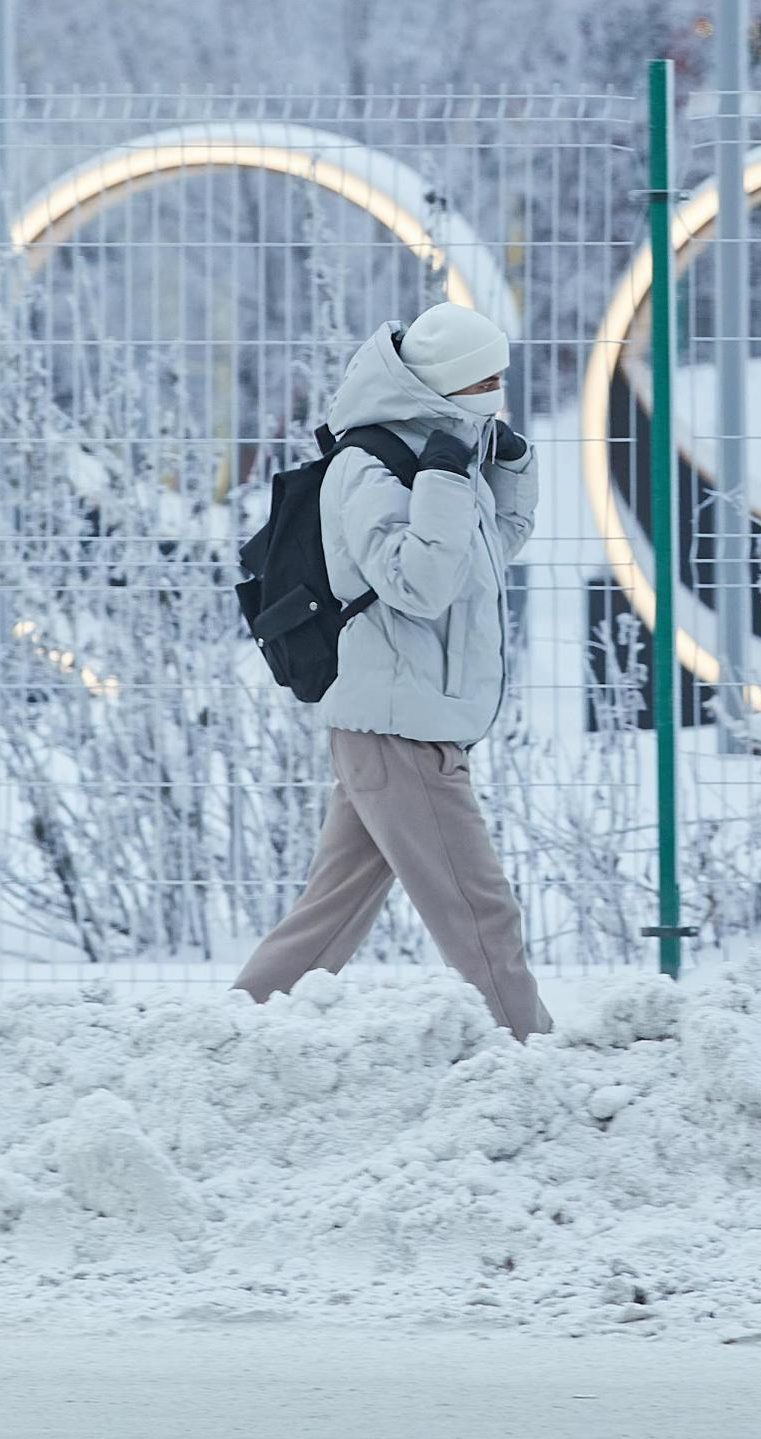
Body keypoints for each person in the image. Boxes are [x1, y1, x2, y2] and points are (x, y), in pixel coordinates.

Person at [233, 301, 550, 1038]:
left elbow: (486, 558)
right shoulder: (370, 466)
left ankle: (234, 1037)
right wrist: (444, 480)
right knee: (481, 913)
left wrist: (511, 469)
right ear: (446, 385)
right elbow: (420, 585)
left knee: (329, 914)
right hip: (399, 727)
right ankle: (535, 1061)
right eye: (487, 380)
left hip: (399, 722)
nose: (499, 390)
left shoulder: (441, 449)